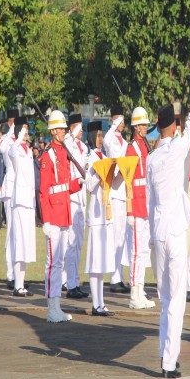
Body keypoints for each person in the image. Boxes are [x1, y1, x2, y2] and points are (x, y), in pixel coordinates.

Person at [147, 59, 190, 379]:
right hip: (175, 232)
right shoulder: (176, 149)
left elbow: (148, 202)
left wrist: (150, 235)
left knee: (165, 300)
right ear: (172, 125)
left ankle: (165, 353)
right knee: (176, 301)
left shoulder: (151, 158)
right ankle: (169, 362)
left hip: (158, 232)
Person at [40, 110, 81, 322]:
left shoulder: (62, 153)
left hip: (64, 213)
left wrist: (78, 184)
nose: (65, 131)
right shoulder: (48, 156)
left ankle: (57, 306)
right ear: (53, 131)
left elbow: (63, 187)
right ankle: (51, 308)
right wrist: (45, 219)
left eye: (65, 129)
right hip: (53, 216)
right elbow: (44, 190)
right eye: (62, 129)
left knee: (60, 261)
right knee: (53, 262)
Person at [84, 120, 116, 316]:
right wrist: (97, 174)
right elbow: (87, 186)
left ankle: (101, 302)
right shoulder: (89, 158)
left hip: (106, 212)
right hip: (96, 214)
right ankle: (95, 303)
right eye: (97, 135)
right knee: (95, 260)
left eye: (101, 135)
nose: (100, 138)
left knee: (102, 259)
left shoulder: (103, 156)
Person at [126, 107, 156, 310]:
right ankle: (133, 293)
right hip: (136, 206)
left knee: (143, 250)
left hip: (145, 205)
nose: (146, 128)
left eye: (146, 124)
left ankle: (140, 289)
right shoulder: (131, 149)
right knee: (136, 251)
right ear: (136, 127)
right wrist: (129, 210)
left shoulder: (145, 147)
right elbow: (128, 181)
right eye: (143, 125)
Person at [103, 104, 130, 294]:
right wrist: (114, 125)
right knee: (114, 236)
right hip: (113, 190)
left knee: (121, 236)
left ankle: (119, 276)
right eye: (119, 119)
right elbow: (106, 140)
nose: (122, 123)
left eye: (123, 120)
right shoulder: (110, 138)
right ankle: (113, 277)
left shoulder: (124, 142)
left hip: (123, 191)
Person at [8, 118, 36, 297]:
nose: (27, 133)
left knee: (26, 244)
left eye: (27, 130)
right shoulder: (16, 149)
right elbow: (10, 151)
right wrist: (17, 137)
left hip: (28, 200)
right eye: (24, 129)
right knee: (19, 242)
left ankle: (22, 283)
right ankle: (17, 285)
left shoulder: (29, 151)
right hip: (19, 200)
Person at [64, 113, 89, 300]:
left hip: (82, 199)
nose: (82, 132)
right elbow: (66, 140)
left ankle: (75, 281)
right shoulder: (69, 144)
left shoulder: (83, 147)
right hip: (72, 199)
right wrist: (72, 132)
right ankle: (70, 283)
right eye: (79, 128)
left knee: (79, 243)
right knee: (71, 244)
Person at [0, 110, 18, 290]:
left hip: (21, 190)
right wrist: (12, 131)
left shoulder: (21, 141)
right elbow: (2, 149)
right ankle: (10, 274)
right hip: (11, 189)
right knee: (11, 232)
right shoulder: (7, 139)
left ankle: (18, 275)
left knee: (19, 233)